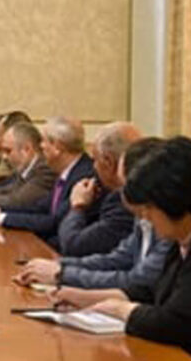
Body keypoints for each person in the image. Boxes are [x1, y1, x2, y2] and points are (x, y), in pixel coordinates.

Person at [51, 137, 191, 353]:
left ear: (174, 201)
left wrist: (123, 310)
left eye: (149, 209)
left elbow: (176, 322)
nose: (145, 217)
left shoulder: (174, 235)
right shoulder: (178, 240)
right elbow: (150, 290)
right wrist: (88, 298)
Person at [14, 138, 171, 290]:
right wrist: (59, 265)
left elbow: (137, 281)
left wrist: (62, 274)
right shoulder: (142, 214)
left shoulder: (165, 222)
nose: (122, 195)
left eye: (124, 187)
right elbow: (118, 258)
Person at [0, 116, 95, 250]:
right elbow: (39, 207)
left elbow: (54, 222)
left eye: (43, 141)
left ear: (57, 147)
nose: (40, 146)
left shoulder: (84, 176)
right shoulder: (68, 170)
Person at [53, 122, 140, 256]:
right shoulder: (104, 190)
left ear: (108, 162)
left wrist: (78, 207)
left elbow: (73, 245)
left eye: (95, 160)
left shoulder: (124, 201)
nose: (93, 167)